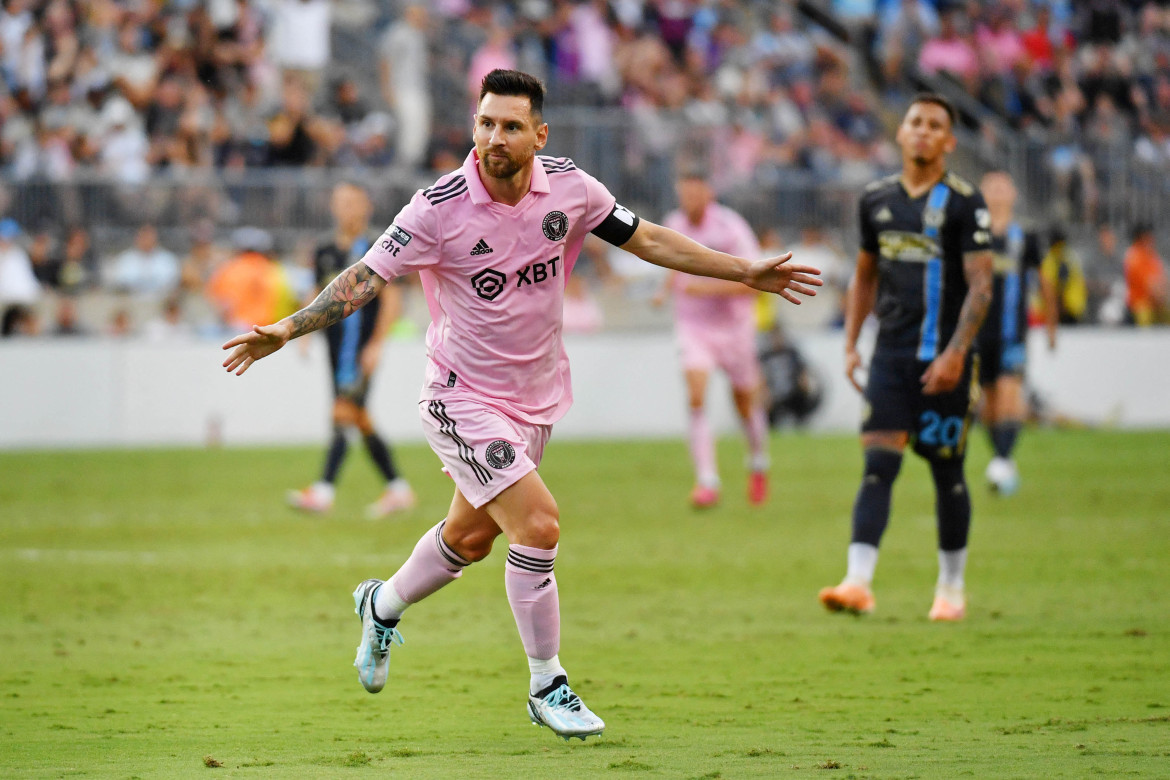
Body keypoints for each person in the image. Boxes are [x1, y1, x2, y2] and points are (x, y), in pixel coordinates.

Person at [223, 70, 820, 741]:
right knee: (538, 524)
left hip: (534, 399)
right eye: (484, 124)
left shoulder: (570, 187)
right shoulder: (437, 207)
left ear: (539, 134)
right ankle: (547, 685)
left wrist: (742, 270)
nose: (493, 138)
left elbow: (646, 237)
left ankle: (381, 605)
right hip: (460, 396)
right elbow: (364, 277)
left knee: (472, 538)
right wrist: (287, 327)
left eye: (509, 126)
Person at [818, 94, 993, 622]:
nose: (922, 131)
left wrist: (957, 352)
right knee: (877, 465)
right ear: (902, 133)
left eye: (934, 125)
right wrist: (851, 343)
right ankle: (857, 582)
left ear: (948, 141)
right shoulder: (875, 199)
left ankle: (952, 589)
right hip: (890, 356)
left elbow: (982, 284)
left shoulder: (965, 201)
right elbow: (866, 274)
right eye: (915, 122)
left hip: (946, 362)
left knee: (947, 473)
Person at [286, 182, 417, 519]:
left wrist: (377, 344)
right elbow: (316, 292)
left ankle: (324, 490)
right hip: (335, 346)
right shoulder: (325, 249)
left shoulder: (379, 246)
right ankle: (398, 488)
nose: (346, 208)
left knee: (344, 413)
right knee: (355, 417)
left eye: (352, 202)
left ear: (366, 207)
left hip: (360, 349)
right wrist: (300, 332)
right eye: (340, 202)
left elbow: (391, 298)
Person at [659, 169, 771, 508]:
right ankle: (707, 480)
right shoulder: (673, 223)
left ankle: (758, 462)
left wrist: (706, 286)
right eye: (684, 192)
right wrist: (664, 290)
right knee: (696, 394)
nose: (688, 199)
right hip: (694, 327)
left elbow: (755, 281)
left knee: (744, 402)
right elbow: (672, 263)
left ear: (708, 192)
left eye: (695, 192)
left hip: (734, 328)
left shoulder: (731, 228)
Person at [974, 170, 1054, 497]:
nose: (997, 191)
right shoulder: (972, 236)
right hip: (977, 332)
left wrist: (1051, 324)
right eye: (991, 186)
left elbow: (1045, 282)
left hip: (1012, 332)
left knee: (1010, 392)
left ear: (1013, 194)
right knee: (988, 401)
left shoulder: (1026, 238)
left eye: (1003, 186)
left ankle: (1003, 460)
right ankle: (1001, 460)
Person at [1123, 223, 1168, 326]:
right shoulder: (1134, 256)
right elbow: (1149, 285)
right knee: (1144, 316)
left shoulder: (1152, 256)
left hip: (1155, 303)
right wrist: (1162, 297)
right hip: (1138, 303)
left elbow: (1162, 279)